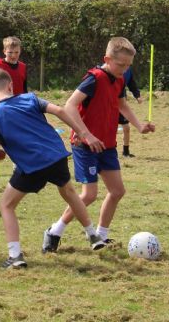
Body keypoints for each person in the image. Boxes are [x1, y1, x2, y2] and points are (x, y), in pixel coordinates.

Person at [0, 69, 105, 269]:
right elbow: (60, 111)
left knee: (6, 205)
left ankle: (15, 256)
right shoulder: (30, 98)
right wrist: (82, 133)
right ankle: (93, 235)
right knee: (70, 193)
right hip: (56, 156)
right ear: (11, 86)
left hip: (31, 166)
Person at [46, 37, 155, 249]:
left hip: (107, 145)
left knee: (117, 191)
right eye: (121, 65)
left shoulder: (120, 79)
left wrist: (139, 126)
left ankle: (102, 235)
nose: (125, 69)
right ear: (107, 59)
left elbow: (122, 105)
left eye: (129, 66)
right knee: (89, 195)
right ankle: (54, 231)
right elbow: (69, 105)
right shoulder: (94, 79)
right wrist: (86, 134)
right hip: (85, 145)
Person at [0, 36, 27, 176]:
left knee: (16, 138)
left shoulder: (23, 67)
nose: (13, 55)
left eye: (16, 52)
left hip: (18, 108)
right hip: (0, 108)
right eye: (10, 52)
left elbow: (24, 88)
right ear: (4, 51)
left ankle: (17, 166)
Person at [119, 67, 143, 157]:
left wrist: (137, 96)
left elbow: (131, 84)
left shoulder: (128, 71)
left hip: (122, 103)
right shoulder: (108, 70)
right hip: (109, 104)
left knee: (126, 128)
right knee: (108, 129)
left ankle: (126, 152)